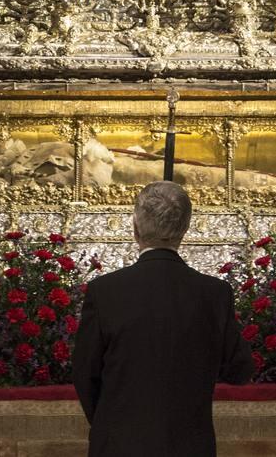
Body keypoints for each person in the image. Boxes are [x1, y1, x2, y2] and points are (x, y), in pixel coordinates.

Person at [72, 181, 254, 457]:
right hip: (190, 445)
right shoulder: (214, 293)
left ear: (135, 228)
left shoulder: (105, 291)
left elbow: (85, 373)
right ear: (185, 228)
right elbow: (239, 370)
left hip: (119, 444)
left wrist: (112, 424)